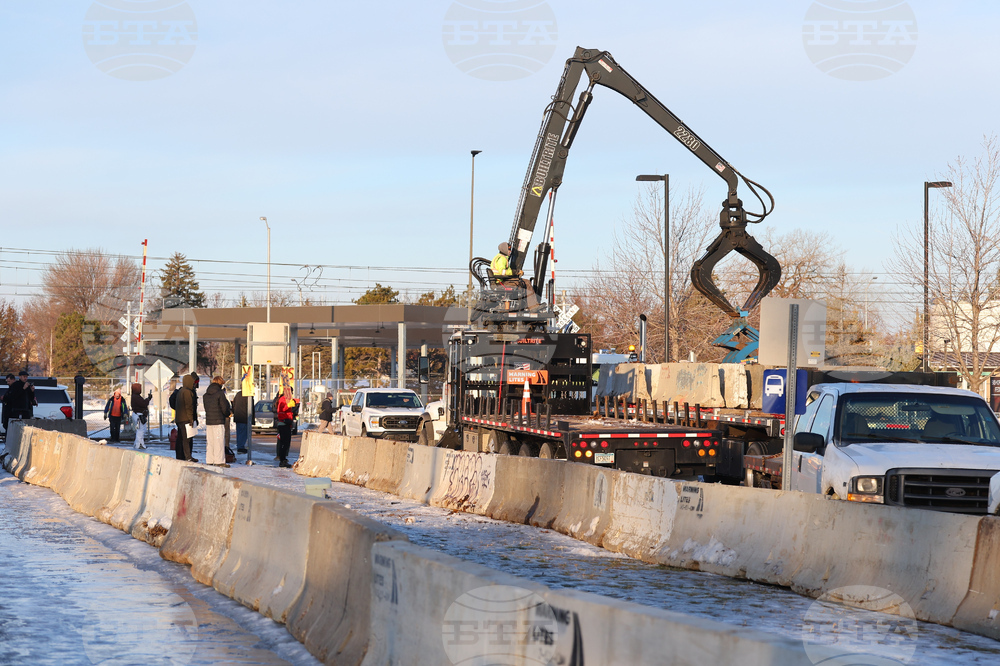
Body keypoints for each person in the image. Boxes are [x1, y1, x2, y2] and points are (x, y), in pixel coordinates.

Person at [203, 376, 231, 467]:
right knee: (219, 441)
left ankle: (210, 460)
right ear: (220, 383)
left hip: (209, 421)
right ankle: (219, 461)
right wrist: (228, 413)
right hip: (218, 420)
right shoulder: (220, 393)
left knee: (210, 442)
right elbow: (224, 407)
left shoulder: (206, 395)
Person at [173, 374, 198, 462]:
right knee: (187, 439)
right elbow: (189, 406)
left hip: (180, 419)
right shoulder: (187, 392)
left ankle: (181, 456)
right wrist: (191, 419)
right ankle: (188, 456)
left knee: (181, 438)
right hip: (186, 419)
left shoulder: (181, 391)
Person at [275, 387, 297, 468]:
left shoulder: (286, 399)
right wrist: (288, 405)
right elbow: (281, 409)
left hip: (286, 423)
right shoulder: (283, 399)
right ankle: (282, 460)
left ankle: (283, 459)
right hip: (283, 423)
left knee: (286, 443)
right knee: (284, 443)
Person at [129, 383, 153, 450]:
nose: (140, 390)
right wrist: (148, 399)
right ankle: (138, 444)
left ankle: (140, 444)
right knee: (140, 430)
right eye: (139, 388)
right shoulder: (136, 397)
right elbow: (143, 404)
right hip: (139, 415)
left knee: (141, 430)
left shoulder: (135, 396)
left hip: (139, 415)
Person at [232, 389, 253, 453]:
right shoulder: (248, 395)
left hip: (238, 417)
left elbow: (234, 404)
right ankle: (241, 447)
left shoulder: (238, 394)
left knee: (239, 433)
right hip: (245, 417)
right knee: (244, 433)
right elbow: (250, 407)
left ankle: (240, 446)